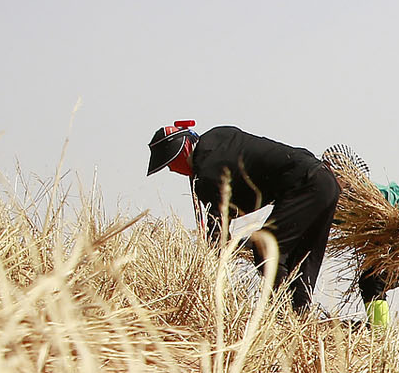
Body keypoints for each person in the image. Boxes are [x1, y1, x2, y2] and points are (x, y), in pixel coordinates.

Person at [146, 121, 340, 313]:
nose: (171, 170)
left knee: (265, 246)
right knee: (300, 260)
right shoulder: (219, 139)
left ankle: (282, 313)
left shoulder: (207, 171)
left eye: (170, 163)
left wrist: (213, 256)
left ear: (181, 152)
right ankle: (300, 318)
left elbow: (217, 230)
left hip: (307, 186)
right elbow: (236, 197)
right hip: (326, 182)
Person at [322, 145, 399, 354]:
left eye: (333, 173)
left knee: (375, 283)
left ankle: (382, 342)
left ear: (344, 174)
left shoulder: (372, 196)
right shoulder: (341, 206)